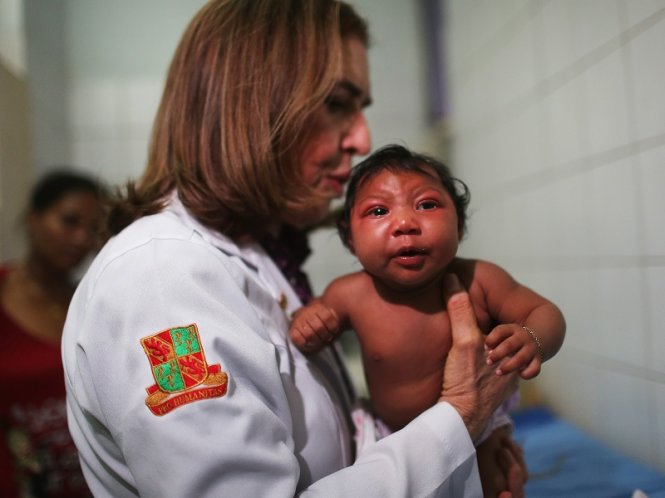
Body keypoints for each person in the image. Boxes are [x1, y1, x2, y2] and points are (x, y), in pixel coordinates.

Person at [61, 1, 526, 496]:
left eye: (360, 109)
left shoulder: (256, 258)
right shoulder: (158, 282)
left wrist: (464, 467)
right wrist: (459, 416)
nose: (362, 138)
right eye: (335, 104)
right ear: (247, 106)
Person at [289, 144, 566, 493]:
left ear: (460, 226)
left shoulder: (481, 280)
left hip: (478, 431)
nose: (405, 223)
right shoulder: (349, 294)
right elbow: (305, 322)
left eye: (427, 205)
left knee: (495, 479)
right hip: (390, 439)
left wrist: (533, 339)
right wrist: (308, 323)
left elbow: (546, 313)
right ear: (349, 238)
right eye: (378, 211)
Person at [1, 170, 105, 497]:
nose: (81, 240)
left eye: (93, 230)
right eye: (69, 221)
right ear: (34, 218)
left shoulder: (91, 303)